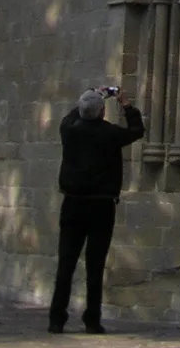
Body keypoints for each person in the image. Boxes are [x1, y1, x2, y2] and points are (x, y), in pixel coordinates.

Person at [48, 86, 144, 334]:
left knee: (66, 263)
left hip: (72, 203)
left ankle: (56, 319)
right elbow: (137, 131)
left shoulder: (69, 130)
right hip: (101, 205)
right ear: (102, 112)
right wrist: (125, 104)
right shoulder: (109, 133)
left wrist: (92, 94)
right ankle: (92, 319)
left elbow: (70, 116)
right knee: (95, 264)